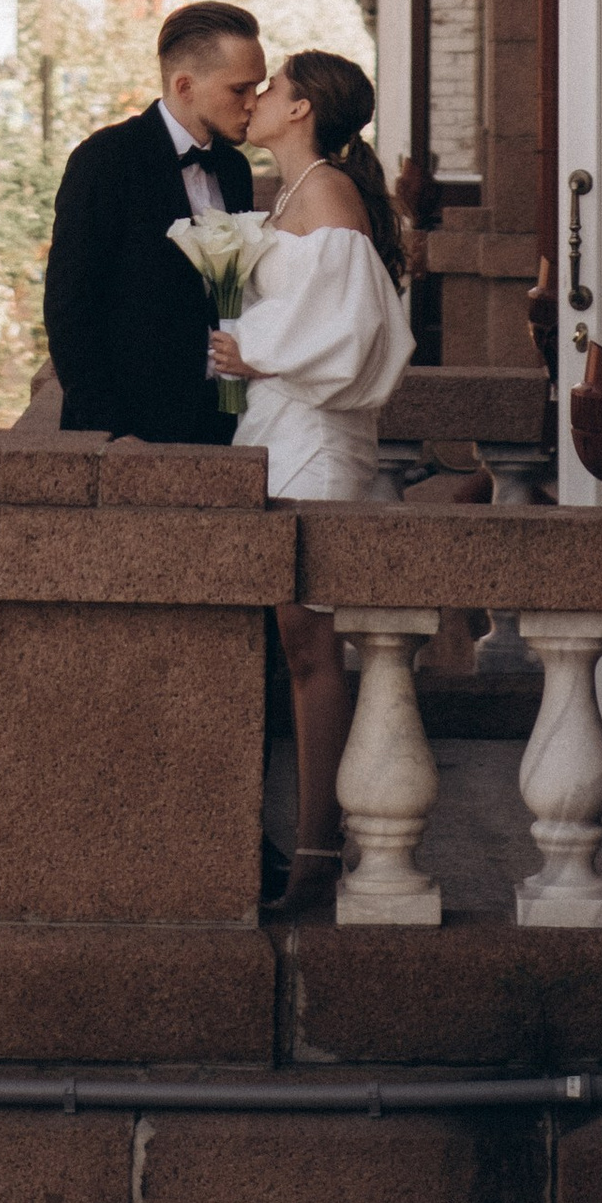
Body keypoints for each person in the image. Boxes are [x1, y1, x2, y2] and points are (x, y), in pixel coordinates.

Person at [205, 49, 416, 918]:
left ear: (301, 111)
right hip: (277, 426)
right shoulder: (293, 194)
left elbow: (357, 328)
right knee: (295, 644)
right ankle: (312, 838)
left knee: (310, 645)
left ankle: (320, 850)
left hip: (317, 437)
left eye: (271, 87)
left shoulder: (329, 194)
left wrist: (256, 353)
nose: (253, 99)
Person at [42, 1, 266, 444]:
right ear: (185, 86)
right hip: (132, 430)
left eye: (257, 88)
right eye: (239, 90)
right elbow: (70, 306)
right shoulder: (105, 160)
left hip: (223, 422)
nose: (252, 104)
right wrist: (109, 431)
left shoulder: (235, 168)